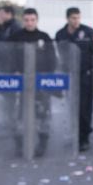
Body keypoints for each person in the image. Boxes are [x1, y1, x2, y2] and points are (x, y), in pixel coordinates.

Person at [8, 8, 58, 157]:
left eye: (32, 20)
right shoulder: (15, 37)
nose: (29, 23)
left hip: (40, 82)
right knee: (19, 114)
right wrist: (14, 72)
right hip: (21, 82)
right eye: (27, 20)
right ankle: (19, 145)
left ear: (37, 20)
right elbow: (9, 57)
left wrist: (47, 77)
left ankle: (42, 144)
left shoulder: (44, 37)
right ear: (23, 20)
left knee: (42, 113)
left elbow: (52, 59)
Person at [55, 7, 93, 151]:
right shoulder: (61, 34)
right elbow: (61, 54)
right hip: (69, 75)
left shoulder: (89, 32)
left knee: (85, 108)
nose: (76, 21)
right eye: (73, 18)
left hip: (86, 75)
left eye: (78, 18)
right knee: (73, 107)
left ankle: (84, 138)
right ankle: (76, 136)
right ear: (67, 18)